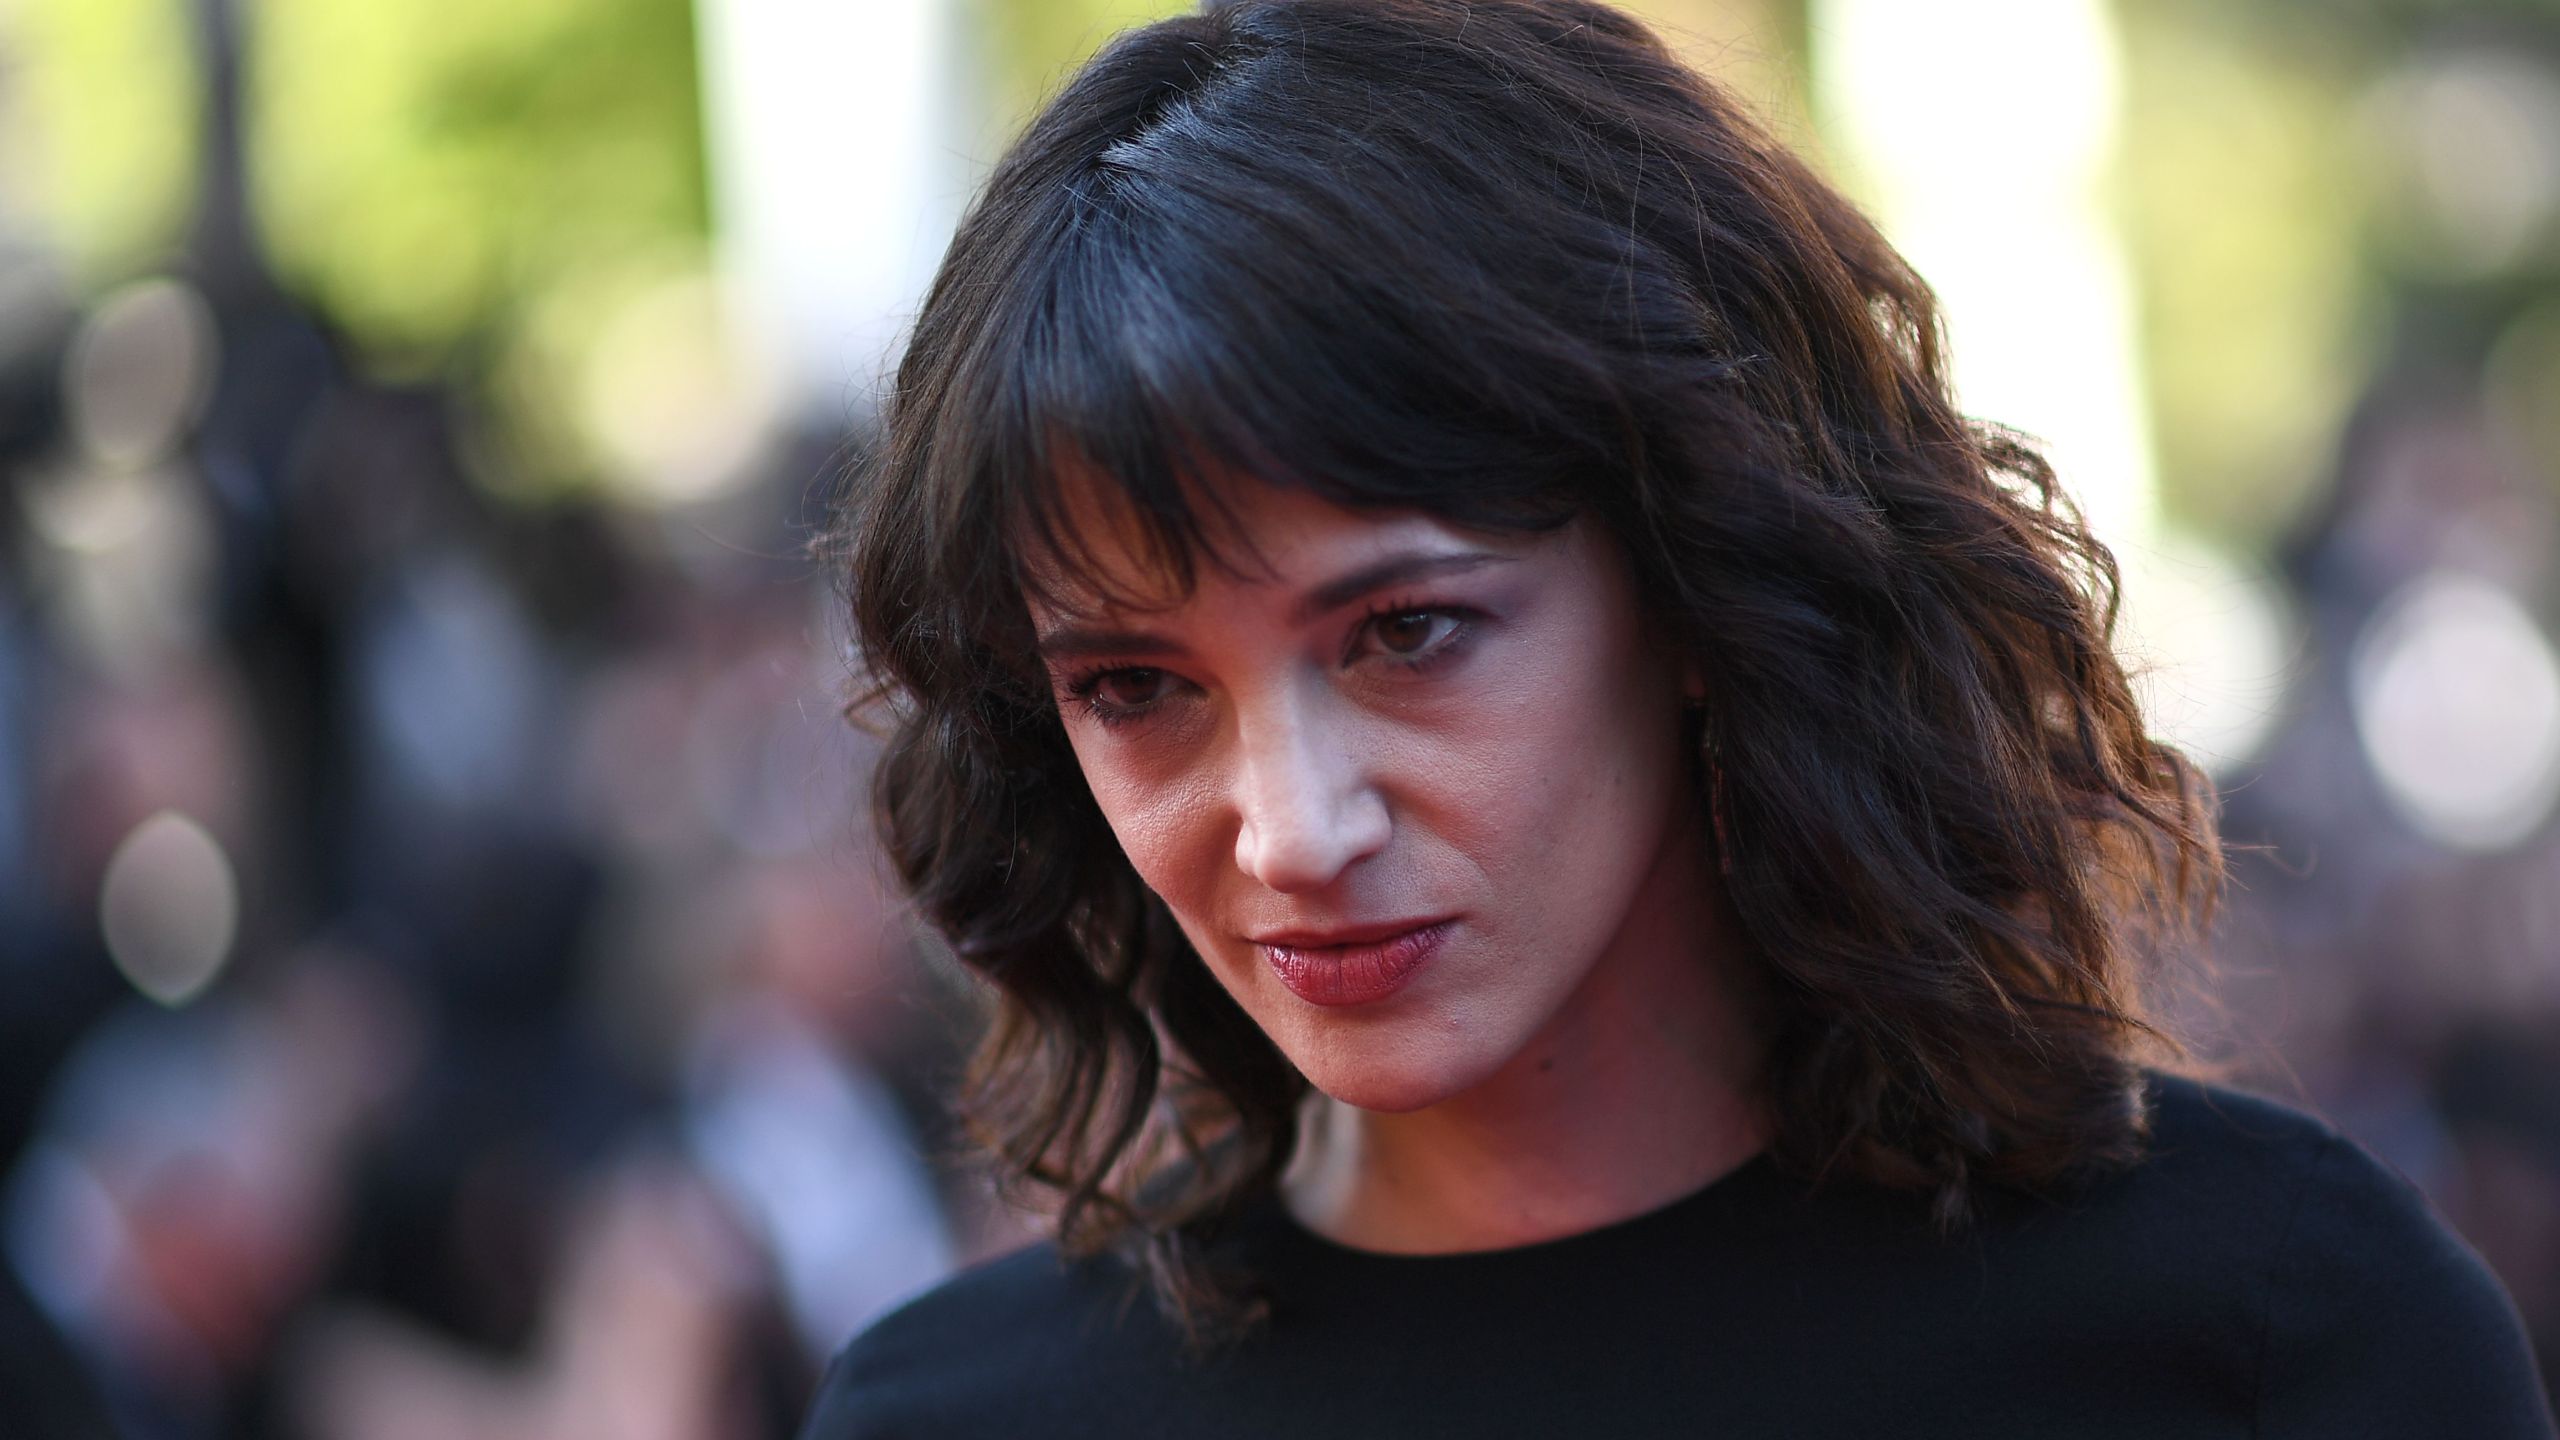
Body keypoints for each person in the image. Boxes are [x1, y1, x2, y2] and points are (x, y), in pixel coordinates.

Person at [800, 1, 2558, 1434]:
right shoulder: (954, 1416)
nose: (1294, 825)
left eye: (1405, 633)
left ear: (1702, 583)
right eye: (1135, 689)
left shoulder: (2272, 1337)